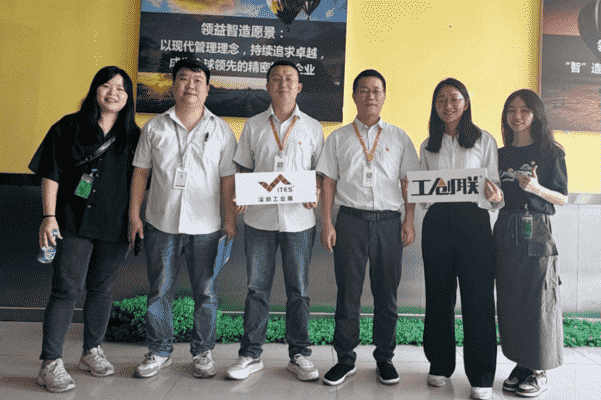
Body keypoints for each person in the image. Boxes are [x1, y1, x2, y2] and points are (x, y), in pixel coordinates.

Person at [29, 66, 141, 393]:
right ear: (95, 90)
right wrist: (48, 216)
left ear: (128, 97)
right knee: (66, 289)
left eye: (121, 88)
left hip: (114, 224)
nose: (113, 93)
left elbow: (142, 182)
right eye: (106, 86)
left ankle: (91, 351)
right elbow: (50, 173)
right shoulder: (68, 127)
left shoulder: (135, 136)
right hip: (71, 221)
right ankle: (50, 363)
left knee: (101, 289)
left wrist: (135, 219)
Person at [129, 59, 237, 379]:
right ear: (173, 85)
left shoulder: (221, 130)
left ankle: (202, 352)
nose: (190, 85)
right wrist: (134, 215)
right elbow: (140, 173)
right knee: (160, 290)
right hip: (160, 223)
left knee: (206, 292)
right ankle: (159, 351)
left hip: (206, 227)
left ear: (207, 89)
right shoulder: (154, 126)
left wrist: (230, 221)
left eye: (197, 80)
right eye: (183, 79)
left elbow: (228, 179)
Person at [317, 69, 420, 386]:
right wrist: (327, 222)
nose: (370, 96)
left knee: (386, 295)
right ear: (354, 96)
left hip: (389, 223)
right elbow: (328, 182)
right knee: (348, 293)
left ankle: (384, 359)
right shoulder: (338, 138)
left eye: (376, 90)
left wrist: (409, 220)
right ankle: (345, 359)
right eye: (364, 90)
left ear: (384, 96)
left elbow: (410, 182)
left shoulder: (399, 137)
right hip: (350, 222)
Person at [226, 60, 324, 381]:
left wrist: (316, 189)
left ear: (299, 87)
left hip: (299, 221)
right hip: (259, 221)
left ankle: (299, 354)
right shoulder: (253, 125)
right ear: (268, 86)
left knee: (299, 291)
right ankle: (251, 354)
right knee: (257, 289)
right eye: (277, 79)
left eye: (290, 79)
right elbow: (244, 167)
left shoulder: (313, 127)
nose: (283, 84)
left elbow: (320, 173)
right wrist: (241, 191)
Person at [419, 78, 503, 400]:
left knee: (478, 298)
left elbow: (494, 188)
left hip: (474, 223)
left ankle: (481, 375)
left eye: (454, 99)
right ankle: (440, 364)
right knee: (438, 297)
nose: (448, 106)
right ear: (435, 107)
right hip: (438, 223)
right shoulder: (428, 145)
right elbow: (423, 195)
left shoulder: (484, 140)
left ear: (465, 103)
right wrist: (413, 190)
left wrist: (495, 195)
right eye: (441, 100)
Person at [494, 89, 568, 398]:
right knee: (510, 297)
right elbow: (497, 198)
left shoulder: (550, 152)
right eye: (511, 110)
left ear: (535, 114)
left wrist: (537, 188)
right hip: (505, 226)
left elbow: (562, 198)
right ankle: (521, 364)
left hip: (535, 227)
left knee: (538, 298)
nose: (517, 116)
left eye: (524, 110)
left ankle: (539, 370)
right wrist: (494, 197)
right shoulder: (500, 154)